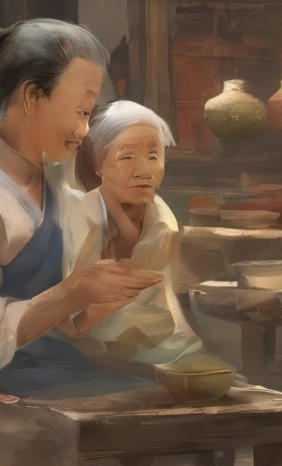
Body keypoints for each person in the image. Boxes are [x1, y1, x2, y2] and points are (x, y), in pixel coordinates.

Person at [0, 20, 162, 396]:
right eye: (81, 112)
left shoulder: (54, 182)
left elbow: (64, 316)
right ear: (32, 96)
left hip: (58, 363)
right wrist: (74, 292)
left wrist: (98, 295)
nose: (85, 131)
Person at [67, 101, 200, 371]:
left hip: (160, 347)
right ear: (99, 166)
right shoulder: (85, 216)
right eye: (126, 157)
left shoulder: (162, 219)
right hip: (87, 351)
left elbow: (166, 300)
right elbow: (67, 311)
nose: (143, 171)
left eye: (153, 157)